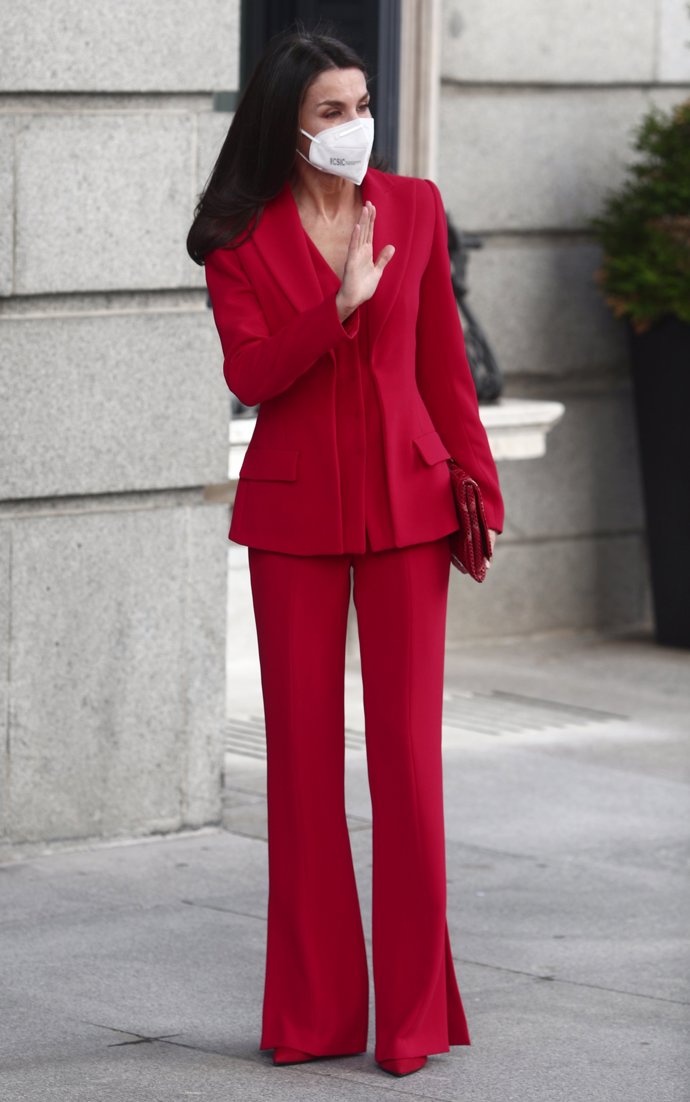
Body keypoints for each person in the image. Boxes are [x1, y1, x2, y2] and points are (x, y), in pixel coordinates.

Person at [188, 28, 504, 1080]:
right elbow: (252, 373)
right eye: (333, 110)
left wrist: (479, 488)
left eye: (363, 105)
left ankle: (413, 1019)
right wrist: (338, 306)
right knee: (302, 774)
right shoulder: (236, 239)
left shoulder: (414, 206)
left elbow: (444, 363)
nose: (355, 125)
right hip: (294, 521)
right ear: (287, 126)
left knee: (410, 769)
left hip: (411, 508)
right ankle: (318, 1012)